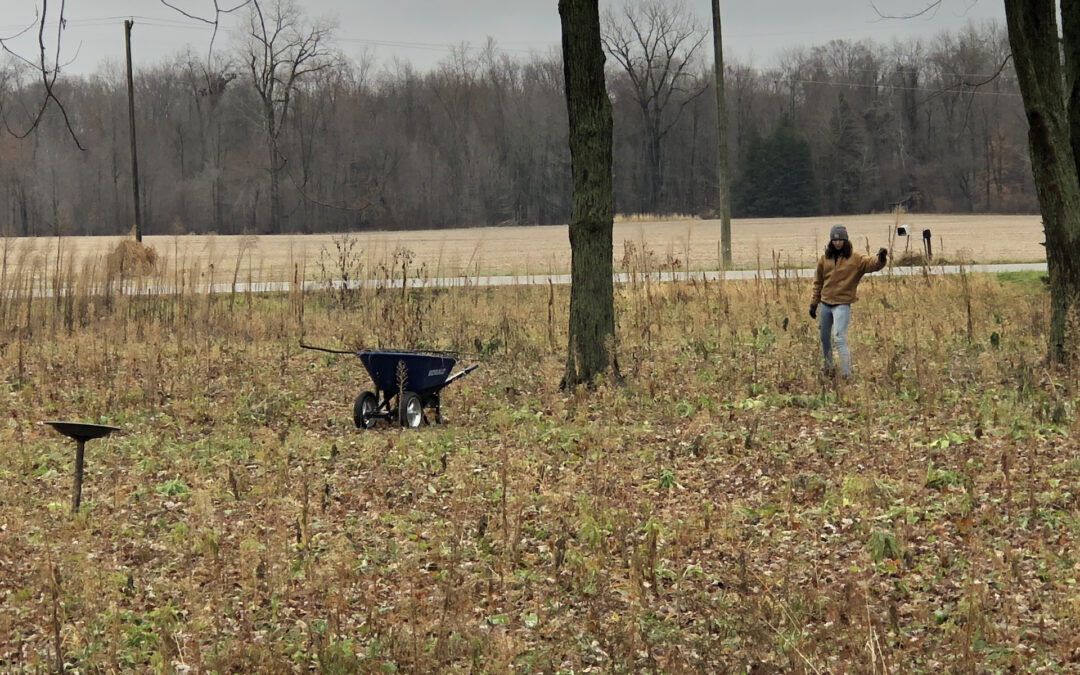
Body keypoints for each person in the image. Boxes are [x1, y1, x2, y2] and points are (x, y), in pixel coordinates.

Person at [809, 224, 887, 378]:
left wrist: (881, 258)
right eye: (834, 240)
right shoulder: (825, 259)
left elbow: (872, 264)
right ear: (831, 241)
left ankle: (846, 374)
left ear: (845, 240)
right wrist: (814, 303)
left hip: (842, 305)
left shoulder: (855, 259)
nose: (837, 243)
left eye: (840, 240)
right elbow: (818, 282)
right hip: (825, 303)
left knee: (838, 338)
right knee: (824, 338)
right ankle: (828, 368)